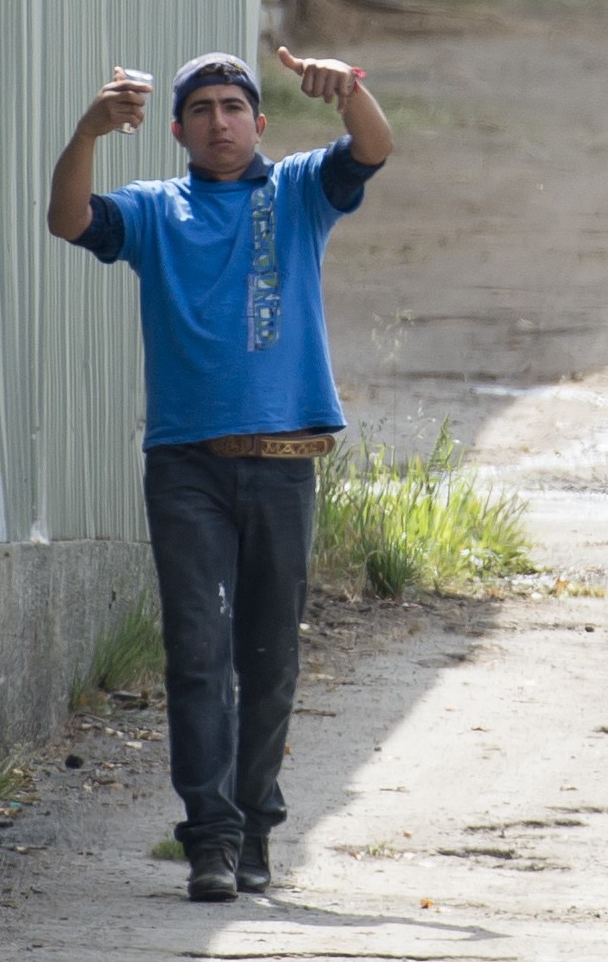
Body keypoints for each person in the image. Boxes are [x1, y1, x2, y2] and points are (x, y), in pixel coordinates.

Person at [49, 49, 391, 904]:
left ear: (259, 122)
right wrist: (87, 131)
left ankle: (256, 827)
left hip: (282, 466)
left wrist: (348, 89)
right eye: (200, 108)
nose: (219, 120)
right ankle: (209, 838)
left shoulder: (299, 192)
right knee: (198, 654)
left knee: (269, 660)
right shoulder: (158, 211)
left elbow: (374, 149)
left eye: (233, 105)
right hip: (187, 468)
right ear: (176, 129)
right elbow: (67, 219)